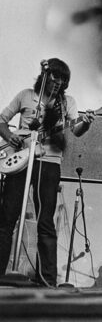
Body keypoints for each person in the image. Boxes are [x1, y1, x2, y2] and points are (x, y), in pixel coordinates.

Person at [0, 58, 95, 287]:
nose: (58, 82)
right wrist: (9, 136)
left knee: (45, 220)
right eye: (55, 77)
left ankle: (47, 280)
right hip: (21, 160)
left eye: (63, 79)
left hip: (49, 162)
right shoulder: (25, 95)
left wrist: (87, 122)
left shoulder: (67, 102)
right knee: (6, 218)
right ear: (45, 76)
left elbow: (77, 129)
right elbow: (2, 120)